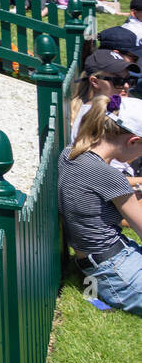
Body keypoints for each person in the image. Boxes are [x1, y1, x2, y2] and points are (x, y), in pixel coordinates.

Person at [59, 95, 142, 314]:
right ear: (132, 141)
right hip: (116, 271)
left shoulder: (70, 155)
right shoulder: (108, 176)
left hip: (98, 263)